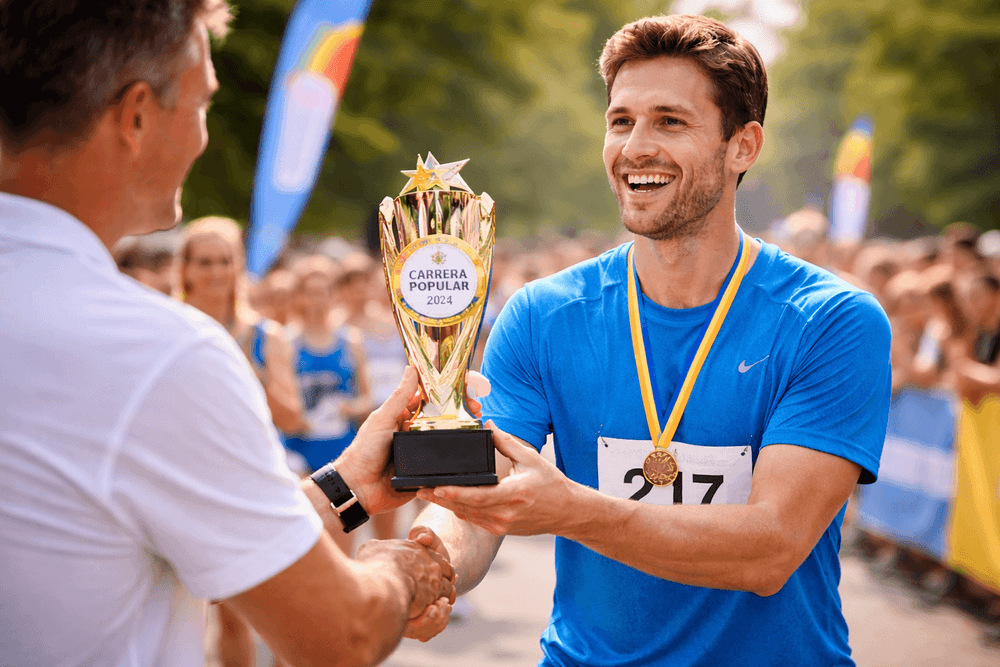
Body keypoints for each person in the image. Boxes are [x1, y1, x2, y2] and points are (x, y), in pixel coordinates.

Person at [411, 14, 892, 667]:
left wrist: (574, 509)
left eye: (670, 121)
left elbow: (771, 546)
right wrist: (427, 561)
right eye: (621, 121)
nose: (636, 146)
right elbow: (488, 489)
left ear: (742, 146)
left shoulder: (832, 320)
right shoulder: (542, 314)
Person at [0, 2, 453, 665]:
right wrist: (396, 569)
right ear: (135, 116)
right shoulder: (156, 351)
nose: (204, 136)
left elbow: (204, 531)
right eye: (201, 103)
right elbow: (341, 633)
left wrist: (349, 480)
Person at [284, 254, 374, 552]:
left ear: (333, 294)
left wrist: (351, 407)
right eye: (310, 292)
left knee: (345, 535)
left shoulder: (350, 340)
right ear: (299, 296)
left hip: (342, 455)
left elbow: (367, 399)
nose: (318, 299)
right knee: (307, 544)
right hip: (299, 454)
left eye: (324, 291)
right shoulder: (285, 342)